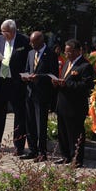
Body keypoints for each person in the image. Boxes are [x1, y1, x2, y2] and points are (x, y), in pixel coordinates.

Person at [0, 19, 30, 155]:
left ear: (13, 31)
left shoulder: (24, 41)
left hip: (16, 82)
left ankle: (19, 146)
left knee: (19, 115)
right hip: (0, 81)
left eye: (6, 32)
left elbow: (27, 60)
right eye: (2, 32)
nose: (3, 34)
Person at [52, 39, 95, 167]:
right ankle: (65, 156)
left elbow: (85, 86)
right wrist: (57, 83)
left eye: (69, 52)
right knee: (63, 133)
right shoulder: (66, 63)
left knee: (75, 134)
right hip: (62, 104)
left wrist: (67, 83)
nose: (66, 54)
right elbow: (64, 79)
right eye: (65, 51)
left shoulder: (85, 66)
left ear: (77, 51)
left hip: (75, 107)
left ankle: (76, 159)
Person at [20, 31, 59, 162]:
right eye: (30, 41)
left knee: (40, 124)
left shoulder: (51, 54)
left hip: (42, 94)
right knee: (30, 123)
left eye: (33, 42)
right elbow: (27, 68)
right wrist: (25, 77)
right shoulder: (31, 53)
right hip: (30, 92)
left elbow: (53, 74)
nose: (31, 44)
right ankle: (32, 150)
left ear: (41, 41)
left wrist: (39, 77)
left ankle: (42, 152)